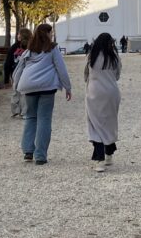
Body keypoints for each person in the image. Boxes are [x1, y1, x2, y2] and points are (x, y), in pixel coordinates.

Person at [13, 23, 72, 165]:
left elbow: (19, 70)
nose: (51, 35)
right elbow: (61, 68)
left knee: (30, 117)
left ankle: (28, 151)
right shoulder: (52, 49)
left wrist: (16, 87)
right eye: (50, 33)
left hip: (29, 87)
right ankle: (40, 155)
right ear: (47, 34)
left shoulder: (29, 51)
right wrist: (68, 87)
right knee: (44, 119)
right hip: (47, 87)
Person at [86, 32, 122, 172]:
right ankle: (109, 154)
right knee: (109, 123)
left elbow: (86, 75)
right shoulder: (114, 57)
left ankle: (99, 159)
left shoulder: (91, 57)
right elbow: (117, 75)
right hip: (111, 92)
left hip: (94, 92)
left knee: (95, 124)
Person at [8, 29, 32, 118]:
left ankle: (20, 111)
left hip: (24, 71)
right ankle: (18, 111)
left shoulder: (30, 46)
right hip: (17, 71)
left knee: (21, 92)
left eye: (19, 34)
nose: (18, 35)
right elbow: (8, 61)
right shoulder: (14, 47)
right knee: (18, 91)